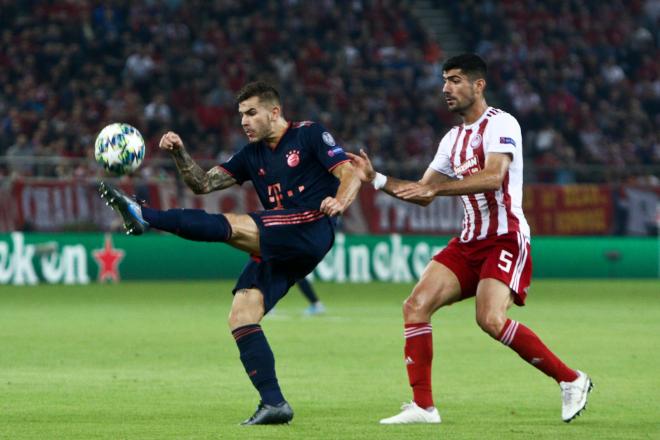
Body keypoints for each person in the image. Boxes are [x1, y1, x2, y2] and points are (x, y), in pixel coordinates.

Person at [347, 54, 592, 425]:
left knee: (490, 319)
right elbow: (423, 191)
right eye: (445, 80)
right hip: (468, 241)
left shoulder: (501, 123)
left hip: (505, 238)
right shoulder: (452, 140)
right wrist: (376, 178)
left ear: (479, 85)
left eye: (456, 80)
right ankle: (424, 407)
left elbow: (493, 177)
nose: (446, 88)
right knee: (415, 305)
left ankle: (572, 380)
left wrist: (437, 188)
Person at [99, 81, 361, 425]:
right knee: (242, 315)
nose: (245, 122)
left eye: (252, 113)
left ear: (274, 112)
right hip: (280, 243)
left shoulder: (308, 134)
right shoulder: (250, 155)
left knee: (233, 225)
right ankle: (274, 404)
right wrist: (179, 154)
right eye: (241, 115)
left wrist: (340, 201)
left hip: (311, 226)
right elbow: (203, 184)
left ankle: (144, 215)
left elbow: (350, 172)